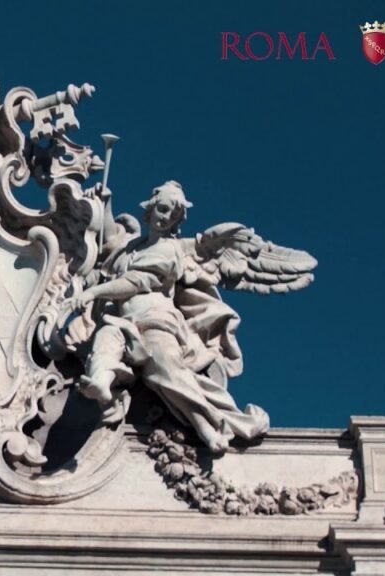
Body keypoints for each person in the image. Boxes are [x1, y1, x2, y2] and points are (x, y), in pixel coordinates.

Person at [68, 181, 269, 454]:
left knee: (164, 373)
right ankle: (101, 384)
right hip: (122, 321)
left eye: (172, 215)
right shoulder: (131, 246)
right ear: (150, 209)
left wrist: (94, 292)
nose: (165, 218)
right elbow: (109, 237)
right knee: (104, 341)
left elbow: (136, 281)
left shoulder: (170, 249)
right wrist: (106, 202)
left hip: (155, 320)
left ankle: (213, 427)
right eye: (162, 209)